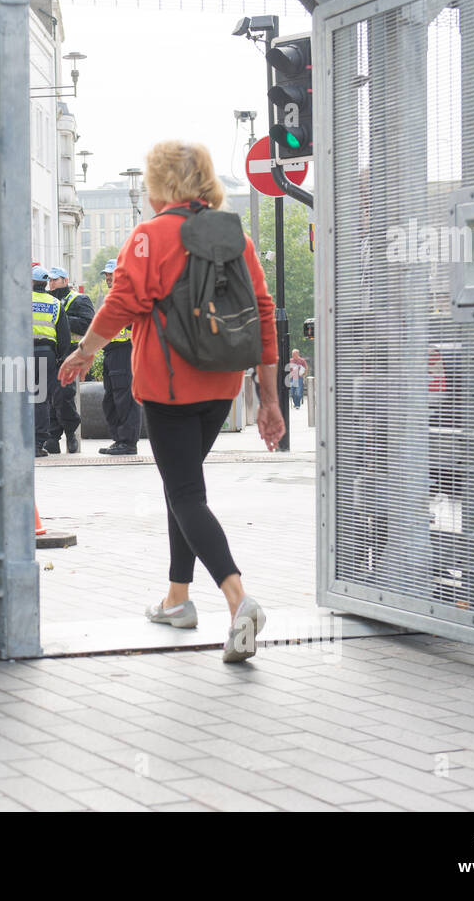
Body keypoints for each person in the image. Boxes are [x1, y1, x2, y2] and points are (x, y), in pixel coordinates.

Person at [59, 140, 285, 663]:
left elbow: (121, 301)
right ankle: (178, 599)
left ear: (161, 184)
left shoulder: (152, 236)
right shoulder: (237, 238)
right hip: (221, 387)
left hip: (168, 388)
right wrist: (269, 400)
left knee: (183, 492)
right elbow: (265, 314)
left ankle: (238, 599)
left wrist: (83, 352)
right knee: (183, 487)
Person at [44, 266, 94, 454]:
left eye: (55, 280)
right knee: (50, 398)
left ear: (65, 280)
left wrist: (62, 318)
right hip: (53, 354)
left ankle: (71, 432)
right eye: (50, 280)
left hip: (72, 355)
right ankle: (53, 438)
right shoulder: (49, 300)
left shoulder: (79, 299)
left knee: (64, 397)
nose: (52, 283)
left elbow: (88, 324)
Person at [97, 259, 140, 455]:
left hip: (125, 351)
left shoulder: (129, 296)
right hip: (111, 352)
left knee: (125, 399)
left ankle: (128, 442)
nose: (107, 277)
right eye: (106, 274)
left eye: (111, 274)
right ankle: (119, 439)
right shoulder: (112, 297)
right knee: (111, 399)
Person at [31, 264, 70, 458]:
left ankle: (21, 440)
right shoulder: (55, 303)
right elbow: (64, 335)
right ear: (46, 283)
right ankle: (38, 444)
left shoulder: (22, 301)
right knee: (41, 400)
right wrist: (60, 357)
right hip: (46, 355)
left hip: (23, 354)